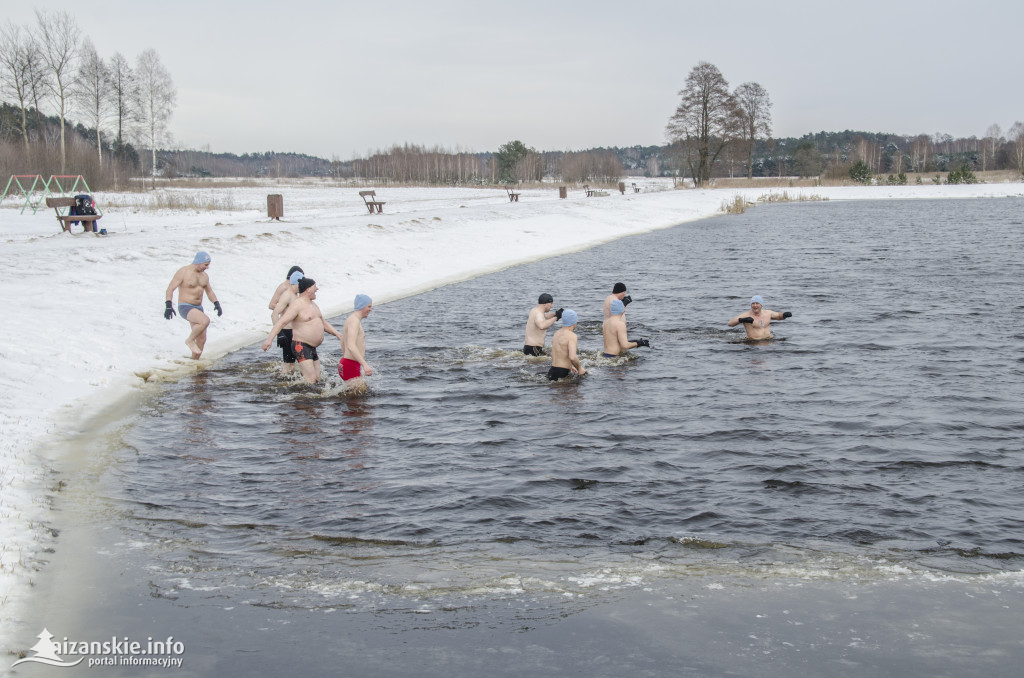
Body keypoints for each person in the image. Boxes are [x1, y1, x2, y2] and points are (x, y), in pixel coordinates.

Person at [260, 278, 342, 384]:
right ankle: (297, 399)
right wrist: (269, 340)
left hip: (312, 347)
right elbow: (281, 322)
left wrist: (338, 334)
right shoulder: (297, 305)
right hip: (301, 346)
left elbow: (323, 323)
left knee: (318, 379)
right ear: (308, 290)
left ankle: (307, 397)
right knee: (310, 380)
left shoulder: (313, 304)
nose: (317, 288)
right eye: (314, 287)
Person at [164, 251, 222, 359]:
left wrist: (216, 303)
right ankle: (189, 340)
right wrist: (168, 305)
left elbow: (209, 292)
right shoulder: (183, 272)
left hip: (198, 308)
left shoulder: (204, 276)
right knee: (205, 321)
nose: (207, 267)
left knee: (202, 339)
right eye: (206, 264)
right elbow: (170, 288)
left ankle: (194, 361)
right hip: (186, 306)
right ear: (199, 262)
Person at [270, 270, 305, 374]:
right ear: (295, 283)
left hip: (294, 332)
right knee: (288, 364)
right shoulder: (287, 295)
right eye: (300, 284)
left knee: (293, 364)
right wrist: (279, 334)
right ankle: (284, 384)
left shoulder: (295, 295)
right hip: (287, 332)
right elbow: (274, 314)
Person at [339, 294, 374, 387]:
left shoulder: (351, 319)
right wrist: (365, 365)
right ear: (362, 306)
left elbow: (343, 341)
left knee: (357, 396)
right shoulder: (354, 321)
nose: (371, 309)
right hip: (350, 365)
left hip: (348, 363)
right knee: (357, 400)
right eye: (369, 306)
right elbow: (350, 345)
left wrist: (346, 357)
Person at [727, 295, 792, 340]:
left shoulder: (768, 313)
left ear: (761, 305)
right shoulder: (746, 315)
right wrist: (742, 320)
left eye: (757, 303)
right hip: (753, 342)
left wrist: (784, 315)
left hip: (768, 340)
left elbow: (778, 316)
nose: (755, 305)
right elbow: (730, 323)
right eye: (753, 303)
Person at [547, 309, 586, 381]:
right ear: (574, 322)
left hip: (551, 371)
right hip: (562, 373)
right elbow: (572, 357)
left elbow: (553, 354)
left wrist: (571, 366)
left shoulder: (556, 334)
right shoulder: (572, 336)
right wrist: (580, 369)